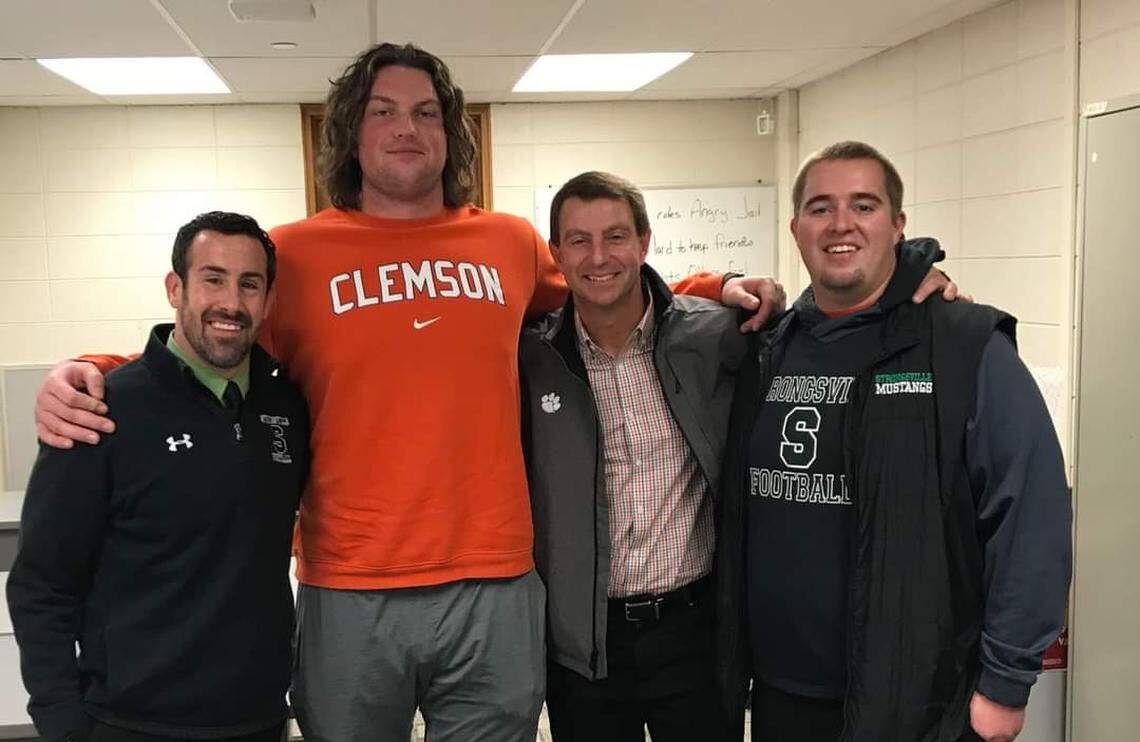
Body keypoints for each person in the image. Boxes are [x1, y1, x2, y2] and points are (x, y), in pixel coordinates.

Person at [29, 43, 780, 742]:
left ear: (450, 134)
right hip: (351, 587)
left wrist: (714, 286)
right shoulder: (295, 252)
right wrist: (89, 367)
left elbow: (606, 291)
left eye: (425, 112)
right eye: (383, 110)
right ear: (351, 132)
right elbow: (212, 336)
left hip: (496, 583)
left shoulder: (508, 242)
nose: (406, 128)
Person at [521, 172, 956, 742]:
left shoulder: (716, 337)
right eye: (578, 240)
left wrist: (917, 275)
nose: (598, 257)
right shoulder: (530, 358)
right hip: (584, 642)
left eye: (616, 237)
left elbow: (826, 308)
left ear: (645, 241)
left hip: (697, 631)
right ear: (555, 253)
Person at [714, 141, 1071, 742]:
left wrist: (1006, 682)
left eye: (864, 205)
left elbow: (1032, 515)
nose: (841, 224)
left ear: (898, 225)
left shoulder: (961, 345)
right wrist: (721, 284)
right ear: (796, 228)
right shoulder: (768, 347)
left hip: (917, 700)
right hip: (782, 696)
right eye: (820, 207)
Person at [6, 212, 309, 742]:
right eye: (212, 279)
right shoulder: (100, 410)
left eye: (249, 284)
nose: (231, 304)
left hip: (257, 719)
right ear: (176, 288)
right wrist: (60, 720)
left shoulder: (286, 408)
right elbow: (41, 586)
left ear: (268, 298)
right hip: (130, 722)